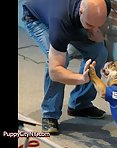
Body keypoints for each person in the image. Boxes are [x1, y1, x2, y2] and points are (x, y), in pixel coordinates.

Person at [22, 0, 111, 134]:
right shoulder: (60, 21)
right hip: (37, 18)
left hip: (72, 20)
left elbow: (99, 25)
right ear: (81, 11)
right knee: (60, 62)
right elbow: (55, 71)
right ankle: (49, 114)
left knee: (99, 52)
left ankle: (80, 104)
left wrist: (99, 32)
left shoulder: (102, 5)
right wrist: (82, 78)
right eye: (90, 25)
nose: (93, 30)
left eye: (97, 25)